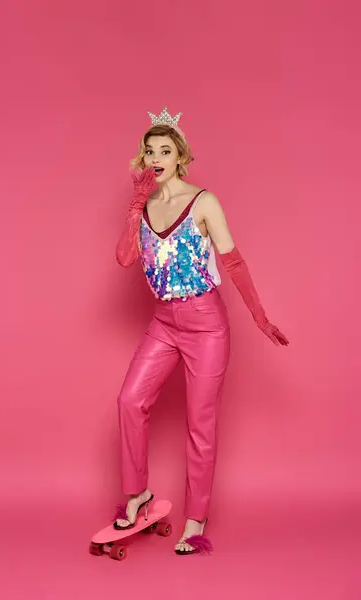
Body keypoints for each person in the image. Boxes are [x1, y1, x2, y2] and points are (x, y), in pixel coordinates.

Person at [112, 107, 289, 555]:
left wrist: (259, 317)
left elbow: (233, 262)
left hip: (206, 326)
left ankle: (196, 519)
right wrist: (135, 205)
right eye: (149, 151)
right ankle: (137, 495)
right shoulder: (147, 205)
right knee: (131, 400)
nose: (156, 158)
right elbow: (125, 259)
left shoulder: (203, 201)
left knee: (201, 424)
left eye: (165, 151)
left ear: (180, 156)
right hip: (164, 322)